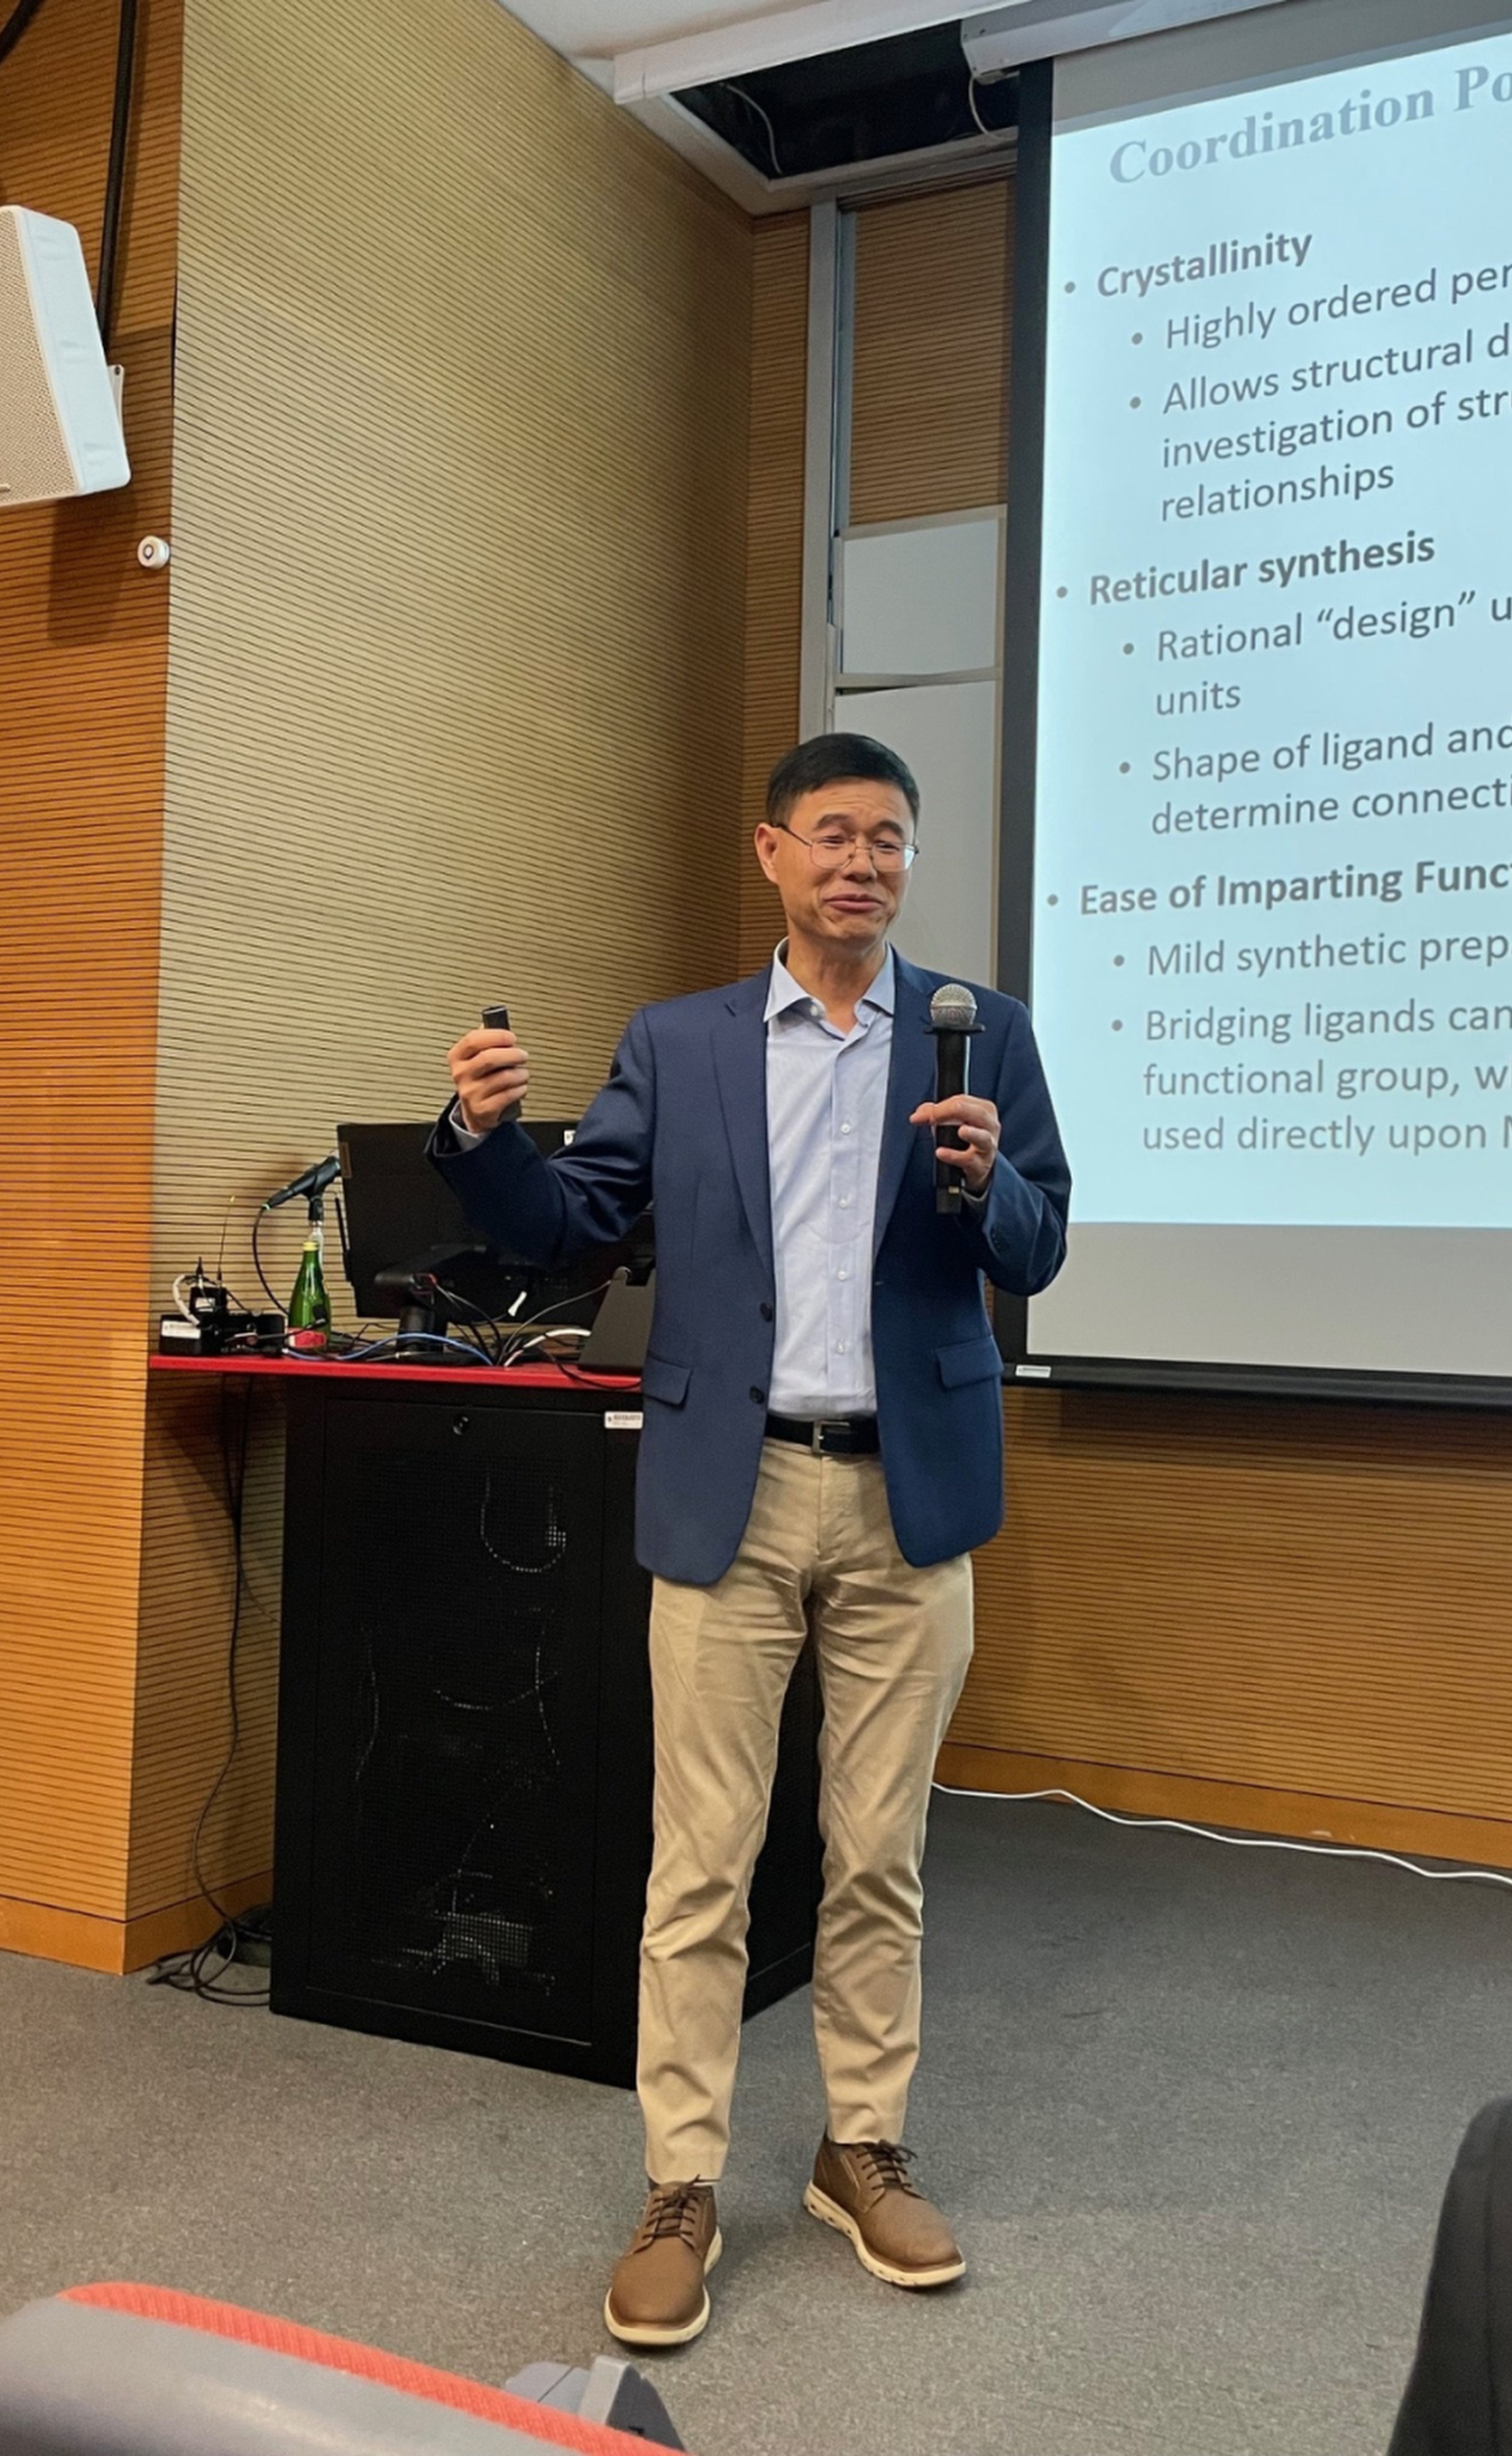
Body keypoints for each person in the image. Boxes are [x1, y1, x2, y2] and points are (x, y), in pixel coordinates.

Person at [432, 734, 1069, 2349]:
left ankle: (860, 2151)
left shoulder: (980, 1033)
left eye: (891, 841)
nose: (862, 862)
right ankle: (682, 2180)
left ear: (910, 868)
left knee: (880, 1854)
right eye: (833, 835)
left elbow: (1045, 1243)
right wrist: (490, 1142)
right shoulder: (684, 1043)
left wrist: (993, 1193)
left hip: (908, 1496)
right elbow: (575, 1226)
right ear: (771, 854)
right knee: (702, 1862)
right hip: (734, 1483)